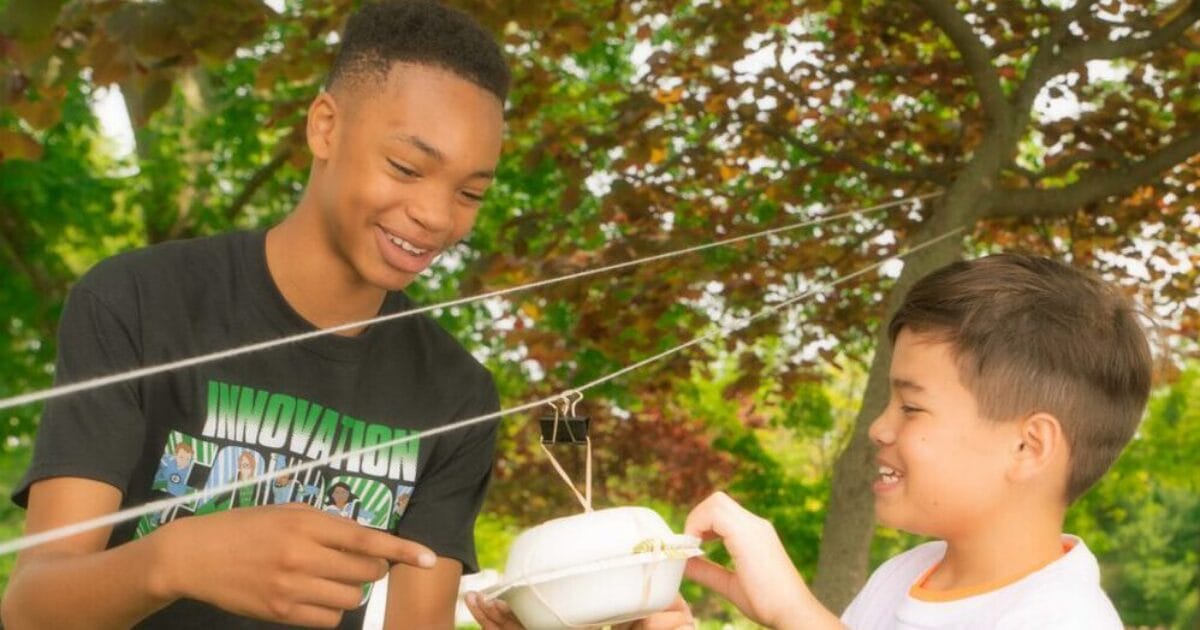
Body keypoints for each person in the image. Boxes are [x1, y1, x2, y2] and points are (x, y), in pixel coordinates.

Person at [2, 1, 509, 627]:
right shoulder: (137, 300)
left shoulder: (457, 394)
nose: (437, 215)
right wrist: (173, 560)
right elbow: (30, 610)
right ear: (325, 126)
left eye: (470, 194)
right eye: (406, 168)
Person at [468, 254, 1151, 629]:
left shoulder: (1063, 617)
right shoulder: (905, 577)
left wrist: (793, 611)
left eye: (912, 406)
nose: (879, 427)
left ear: (1029, 448)